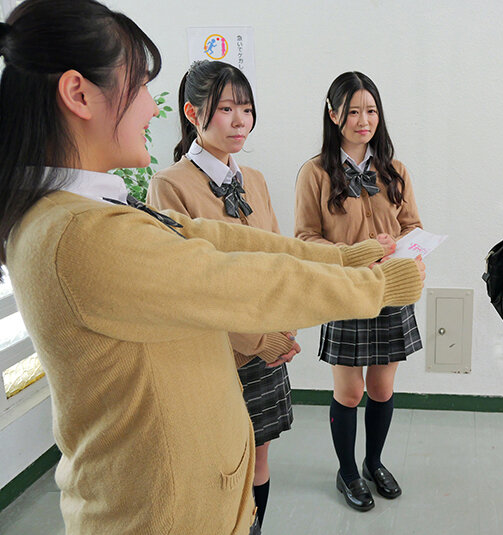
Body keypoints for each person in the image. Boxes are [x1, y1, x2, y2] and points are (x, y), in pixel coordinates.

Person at [0, 2, 424, 534]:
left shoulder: (88, 211)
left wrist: (348, 258)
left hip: (190, 495)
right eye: (139, 88)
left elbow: (227, 240)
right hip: (163, 514)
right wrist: (375, 283)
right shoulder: (81, 234)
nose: (151, 109)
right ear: (79, 94)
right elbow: (236, 278)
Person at [146, 60, 295, 528]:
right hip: (213, 355)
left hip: (270, 346)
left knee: (260, 456)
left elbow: (280, 258)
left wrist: (284, 327)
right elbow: (187, 291)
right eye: (226, 108)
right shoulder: (169, 186)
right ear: (192, 113)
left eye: (246, 109)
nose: (239, 121)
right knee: (222, 467)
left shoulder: (255, 179)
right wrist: (260, 340)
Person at [295, 71, 422, 512]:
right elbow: (305, 239)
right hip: (345, 292)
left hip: (390, 290)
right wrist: (357, 254)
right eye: (352, 111)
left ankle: (374, 463)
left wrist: (403, 248)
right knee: (349, 393)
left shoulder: (394, 170)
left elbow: (412, 226)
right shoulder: (315, 173)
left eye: (371, 111)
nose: (363, 120)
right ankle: (347, 471)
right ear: (333, 115)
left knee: (382, 388)